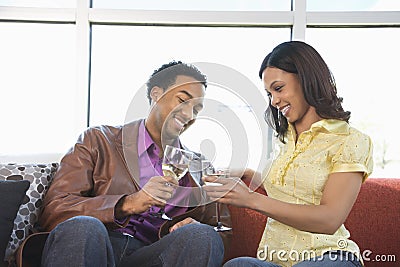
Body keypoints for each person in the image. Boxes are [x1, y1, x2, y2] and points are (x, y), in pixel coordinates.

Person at [21, 61, 232, 267]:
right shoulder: (97, 140)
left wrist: (198, 227)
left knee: (201, 235)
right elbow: (55, 210)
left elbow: (222, 232)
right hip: (96, 245)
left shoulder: (199, 167)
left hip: (156, 254)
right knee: (83, 227)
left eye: (196, 110)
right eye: (182, 101)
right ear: (156, 93)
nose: (189, 115)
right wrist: (127, 203)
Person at [203, 41, 373, 267]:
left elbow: (330, 219)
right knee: (238, 265)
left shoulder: (349, 140)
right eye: (269, 93)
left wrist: (252, 199)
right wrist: (245, 173)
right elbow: (290, 187)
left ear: (306, 79)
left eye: (279, 88)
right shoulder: (284, 140)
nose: (273, 101)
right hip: (277, 261)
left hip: (329, 256)